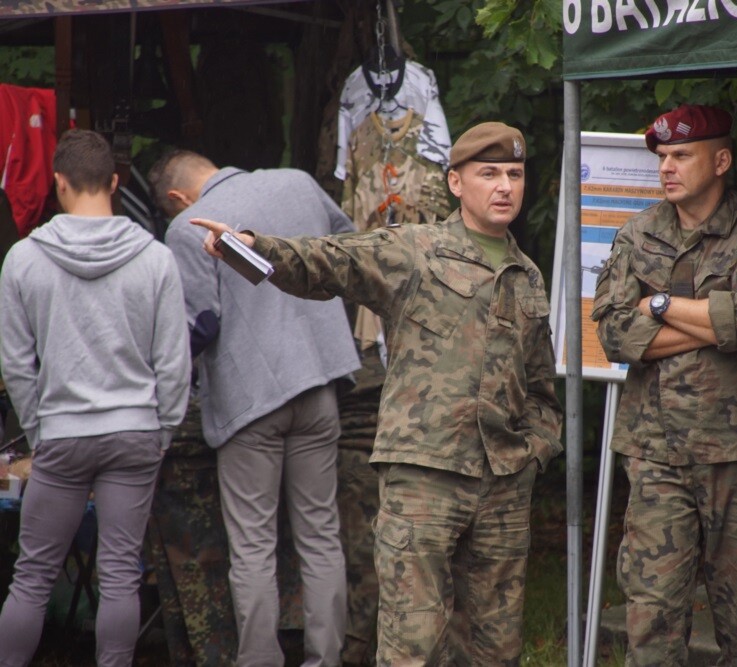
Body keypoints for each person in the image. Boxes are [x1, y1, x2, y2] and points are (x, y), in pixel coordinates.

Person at [190, 121, 564, 666]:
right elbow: (326, 261)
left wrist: (534, 451)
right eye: (489, 174)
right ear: (456, 184)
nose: (504, 185)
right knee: (411, 649)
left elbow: (540, 386)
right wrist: (252, 248)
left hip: (503, 487)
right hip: (424, 482)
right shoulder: (415, 250)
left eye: (514, 173)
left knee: (494, 650)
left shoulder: (526, 275)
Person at [591, 104, 737, 667]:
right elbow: (613, 334)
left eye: (682, 155)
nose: (667, 168)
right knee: (652, 618)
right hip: (655, 454)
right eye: (662, 157)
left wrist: (657, 306)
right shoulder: (637, 233)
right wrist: (713, 322)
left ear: (721, 160)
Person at [148, 150, 360, 667]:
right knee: (321, 535)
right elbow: (351, 252)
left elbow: (202, 323)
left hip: (251, 403)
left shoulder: (187, 227)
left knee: (253, 548)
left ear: (178, 198)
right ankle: (326, 659)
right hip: (319, 384)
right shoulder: (299, 182)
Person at [0, 129, 190, 667]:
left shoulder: (23, 259)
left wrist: (39, 431)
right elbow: (174, 362)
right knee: (120, 574)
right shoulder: (155, 258)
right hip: (135, 434)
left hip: (61, 433)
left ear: (59, 183)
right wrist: (164, 430)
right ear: (114, 181)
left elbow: (16, 363)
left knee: (33, 577)